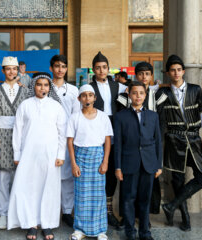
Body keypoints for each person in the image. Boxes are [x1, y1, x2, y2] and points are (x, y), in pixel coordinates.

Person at [156, 54, 202, 232]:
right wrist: (156, 86)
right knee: (177, 180)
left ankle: (171, 205)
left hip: (194, 139)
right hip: (173, 140)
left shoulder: (196, 90)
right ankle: (185, 218)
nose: (176, 73)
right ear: (168, 73)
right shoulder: (162, 93)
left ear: (183, 71)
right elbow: (150, 103)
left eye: (179, 69)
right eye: (172, 70)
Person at [8, 72, 66, 240]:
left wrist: (60, 154)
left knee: (49, 189)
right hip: (29, 154)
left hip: (50, 155)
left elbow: (62, 133)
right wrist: (17, 154)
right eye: (39, 84)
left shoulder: (56, 106)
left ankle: (47, 223)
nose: (42, 88)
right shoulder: (25, 105)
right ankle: (31, 223)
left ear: (50, 87)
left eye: (46, 85)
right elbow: (17, 132)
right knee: (30, 188)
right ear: (34, 86)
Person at [114, 81, 162, 240]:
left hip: (149, 163)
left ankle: (144, 232)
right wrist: (118, 167)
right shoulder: (121, 116)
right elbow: (118, 144)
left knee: (145, 198)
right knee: (128, 198)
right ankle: (130, 232)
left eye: (141, 93)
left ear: (145, 95)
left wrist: (159, 164)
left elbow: (158, 141)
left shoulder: (153, 115)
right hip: (129, 163)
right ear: (129, 94)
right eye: (134, 93)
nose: (138, 96)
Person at [67, 84, 112, 240]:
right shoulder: (74, 117)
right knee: (81, 195)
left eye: (90, 95)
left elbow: (107, 140)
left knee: (99, 195)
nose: (87, 98)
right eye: (84, 95)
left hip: (98, 157)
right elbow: (70, 142)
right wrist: (73, 164)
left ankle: (100, 230)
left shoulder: (103, 116)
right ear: (79, 99)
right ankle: (80, 229)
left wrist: (105, 161)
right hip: (80, 158)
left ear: (95, 98)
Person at [0, 56, 29, 230]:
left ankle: (18, 212)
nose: (11, 72)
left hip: (21, 138)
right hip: (2, 136)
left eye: (14, 68)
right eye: (8, 69)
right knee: (3, 178)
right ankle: (3, 213)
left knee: (21, 177)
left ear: (18, 70)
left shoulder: (26, 91)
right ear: (3, 71)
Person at [90, 51, 127, 230]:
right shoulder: (89, 87)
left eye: (104, 67)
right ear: (93, 70)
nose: (101, 70)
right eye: (98, 68)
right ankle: (96, 211)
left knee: (112, 168)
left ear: (108, 68)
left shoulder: (117, 86)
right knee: (98, 169)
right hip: (95, 128)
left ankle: (109, 212)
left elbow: (135, 89)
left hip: (114, 127)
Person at [50, 54, 80, 227]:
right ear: (51, 68)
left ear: (67, 69)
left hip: (68, 137)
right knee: (51, 175)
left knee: (68, 177)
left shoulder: (73, 90)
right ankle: (51, 211)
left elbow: (76, 116)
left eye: (63, 66)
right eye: (57, 66)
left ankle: (67, 212)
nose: (60, 69)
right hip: (50, 136)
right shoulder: (45, 87)